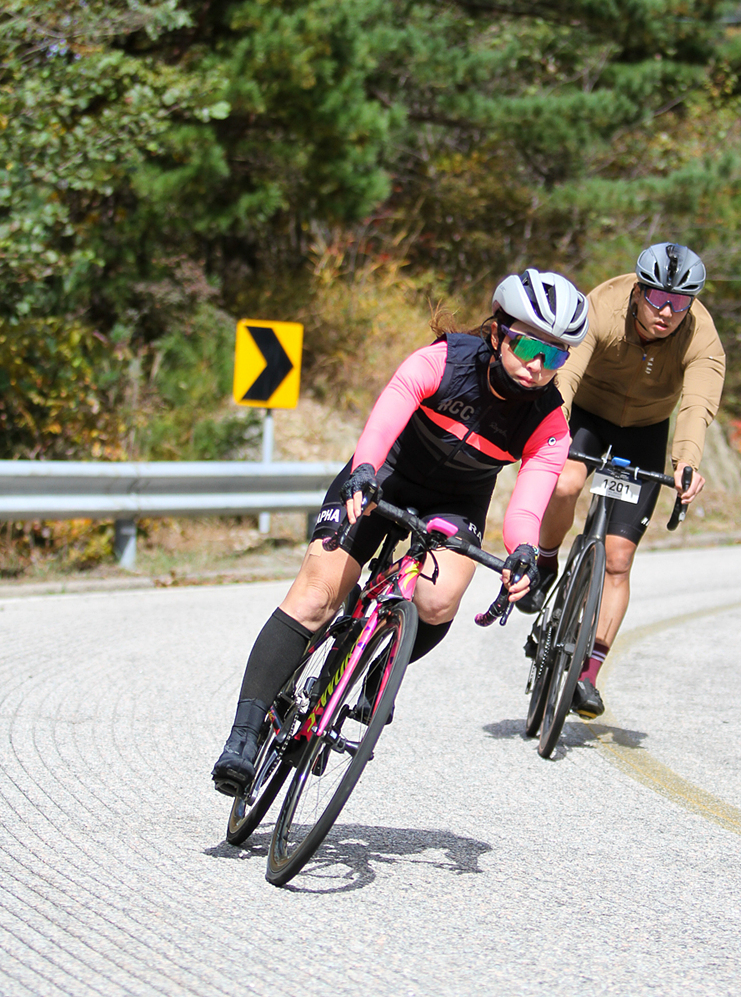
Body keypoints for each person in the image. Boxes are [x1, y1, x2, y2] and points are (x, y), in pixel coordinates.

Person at [212, 268, 590, 794]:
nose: (537, 365)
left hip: (457, 502)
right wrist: (364, 471)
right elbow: (384, 419)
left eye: (554, 356)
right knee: (316, 596)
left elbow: (528, 505)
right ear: (498, 332)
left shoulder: (549, 421)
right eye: (529, 346)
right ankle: (244, 737)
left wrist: (524, 550)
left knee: (439, 601)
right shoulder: (443, 360)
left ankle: (379, 665)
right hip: (383, 475)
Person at [518, 242, 725, 719]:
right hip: (588, 415)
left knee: (618, 558)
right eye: (658, 298)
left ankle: (587, 674)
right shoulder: (603, 306)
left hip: (646, 429)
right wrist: (553, 427)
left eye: (680, 302)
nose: (667, 312)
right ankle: (546, 562)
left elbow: (697, 404)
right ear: (637, 292)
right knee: (566, 483)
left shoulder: (701, 336)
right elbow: (567, 375)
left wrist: (686, 461)